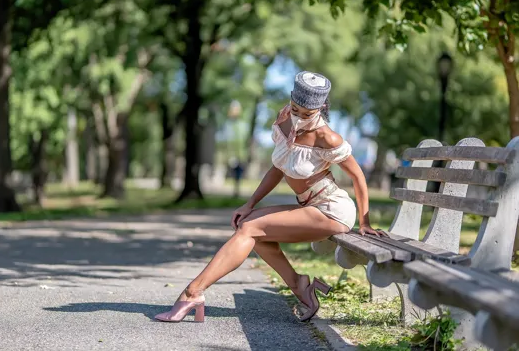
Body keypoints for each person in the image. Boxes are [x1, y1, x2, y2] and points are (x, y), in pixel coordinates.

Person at [155, 71, 384, 323]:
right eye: (296, 109)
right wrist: (250, 203)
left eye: (307, 114)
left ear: (321, 108)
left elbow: (358, 177)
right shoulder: (284, 119)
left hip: (332, 209)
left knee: (251, 228)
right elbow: (278, 169)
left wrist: (364, 222)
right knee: (250, 228)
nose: (299, 117)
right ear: (291, 101)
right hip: (310, 206)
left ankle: (192, 292)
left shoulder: (326, 137)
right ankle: (300, 286)